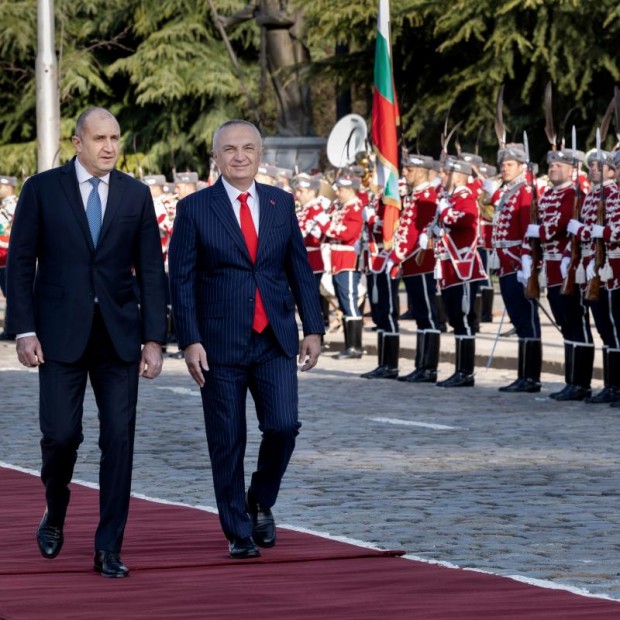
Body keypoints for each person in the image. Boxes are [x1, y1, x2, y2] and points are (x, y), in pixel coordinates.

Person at [5, 107, 167, 578]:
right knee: (60, 436)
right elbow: (18, 264)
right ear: (77, 142)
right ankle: (55, 510)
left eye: (115, 137)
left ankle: (108, 547)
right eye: (99, 138)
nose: (110, 147)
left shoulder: (136, 195)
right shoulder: (42, 189)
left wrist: (154, 338)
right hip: (58, 336)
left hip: (119, 337)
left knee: (119, 440)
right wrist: (25, 329)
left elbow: (151, 271)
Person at [168, 119, 324, 560]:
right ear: (215, 157)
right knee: (227, 438)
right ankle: (237, 530)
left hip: (274, 338)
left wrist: (312, 327)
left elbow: (299, 269)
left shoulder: (280, 203)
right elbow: (180, 281)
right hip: (218, 344)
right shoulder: (196, 208)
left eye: (249, 148)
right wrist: (190, 340)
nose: (240, 156)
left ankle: (260, 499)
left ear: (261, 155)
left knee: (283, 426)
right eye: (230, 149)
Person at [522, 147, 593, 400]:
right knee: (565, 324)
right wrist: (529, 256)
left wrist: (538, 233)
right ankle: (571, 380)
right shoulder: (548, 195)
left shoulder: (574, 195)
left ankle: (581, 382)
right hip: (551, 269)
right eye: (551, 165)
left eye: (559, 166)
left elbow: (559, 224)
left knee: (576, 323)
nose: (552, 168)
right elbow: (538, 225)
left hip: (568, 268)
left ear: (573, 170)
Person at [429, 157, 487, 387]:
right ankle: (460, 370)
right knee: (456, 319)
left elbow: (467, 219)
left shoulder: (464, 196)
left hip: (462, 267)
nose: (441, 177)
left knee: (463, 319)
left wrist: (445, 214)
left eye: (445, 173)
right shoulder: (451, 198)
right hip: (450, 268)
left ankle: (465, 372)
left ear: (459, 176)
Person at [489, 144, 542, 392]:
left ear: (522, 167)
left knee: (527, 320)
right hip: (506, 264)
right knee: (520, 322)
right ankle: (523, 375)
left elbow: (527, 230)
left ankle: (531, 377)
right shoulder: (509, 190)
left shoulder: (525, 191)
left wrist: (527, 262)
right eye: (503, 165)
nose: (504, 168)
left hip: (517, 262)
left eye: (509, 165)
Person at [389, 154, 441, 383]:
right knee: (421, 315)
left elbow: (420, 231)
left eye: (410, 170)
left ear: (421, 171)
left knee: (428, 315)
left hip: (422, 261)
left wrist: (399, 254)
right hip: (412, 262)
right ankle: (421, 365)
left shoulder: (427, 195)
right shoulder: (415, 195)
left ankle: (428, 368)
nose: (406, 173)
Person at [325, 173, 365, 359]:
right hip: (337, 260)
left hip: (348, 260)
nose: (338, 193)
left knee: (349, 302)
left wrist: (325, 225)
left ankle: (355, 346)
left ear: (350, 190)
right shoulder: (342, 207)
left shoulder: (356, 207)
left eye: (341, 190)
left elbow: (349, 233)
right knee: (344, 303)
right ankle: (349, 345)